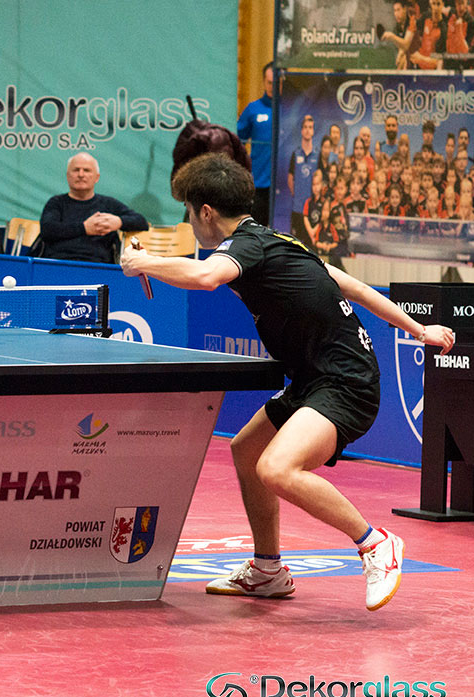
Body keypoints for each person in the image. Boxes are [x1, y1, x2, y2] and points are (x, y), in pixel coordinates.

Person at [120, 153, 455, 611]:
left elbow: (205, 276)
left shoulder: (247, 247)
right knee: (246, 450)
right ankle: (268, 570)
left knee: (277, 469)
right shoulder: (278, 242)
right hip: (313, 380)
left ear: (206, 212)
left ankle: (376, 543)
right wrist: (419, 330)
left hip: (345, 384)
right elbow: (354, 287)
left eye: (189, 212)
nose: (190, 222)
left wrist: (143, 261)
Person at [36, 152, 148, 264]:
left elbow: (141, 221)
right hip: (58, 263)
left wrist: (119, 222)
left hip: (98, 266)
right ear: (68, 176)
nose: (81, 174)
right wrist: (84, 228)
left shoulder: (108, 204)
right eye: (76, 170)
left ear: (97, 177)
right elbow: (47, 230)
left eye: (86, 170)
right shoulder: (56, 202)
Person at [237, 62, 274, 224]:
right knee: (257, 230)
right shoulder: (253, 109)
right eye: (270, 82)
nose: (273, 86)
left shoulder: (290, 110)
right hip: (259, 184)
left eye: (276, 83)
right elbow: (238, 142)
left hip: (284, 188)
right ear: (264, 82)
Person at [288, 114, 318, 245]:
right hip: (297, 208)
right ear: (301, 131)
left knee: (310, 246)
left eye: (310, 127)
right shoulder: (295, 154)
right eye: (305, 127)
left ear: (313, 131)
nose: (307, 130)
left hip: (311, 210)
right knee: (296, 245)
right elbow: (290, 179)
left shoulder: (317, 154)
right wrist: (297, 195)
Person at [381, 1, 417, 69]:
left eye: (398, 10)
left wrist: (391, 36)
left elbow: (406, 45)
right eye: (395, 11)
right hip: (407, 60)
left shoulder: (412, 21)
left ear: (405, 9)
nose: (396, 14)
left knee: (404, 58)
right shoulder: (397, 28)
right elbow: (401, 47)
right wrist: (400, 53)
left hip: (417, 60)